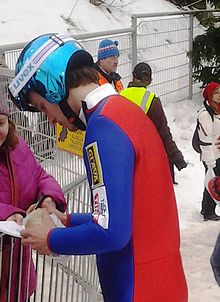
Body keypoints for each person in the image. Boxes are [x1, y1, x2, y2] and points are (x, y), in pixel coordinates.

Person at [9, 33, 188, 301]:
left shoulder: (103, 127)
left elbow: (111, 233)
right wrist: (64, 220)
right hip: (156, 279)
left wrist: (51, 239)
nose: (50, 118)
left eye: (42, 106)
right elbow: (125, 214)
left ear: (55, 88)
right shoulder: (122, 111)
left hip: (136, 288)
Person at [0, 84, 66, 302]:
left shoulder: (18, 148)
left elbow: (39, 175)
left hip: (18, 263)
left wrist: (49, 197)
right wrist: (8, 213)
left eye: (0, 123)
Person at [120, 62, 187, 184]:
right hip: (144, 157)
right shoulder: (152, 100)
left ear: (133, 76)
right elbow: (164, 133)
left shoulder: (119, 96)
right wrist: (176, 157)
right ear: (150, 80)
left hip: (123, 155)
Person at [196, 82, 220, 221]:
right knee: (212, 182)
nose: (219, 95)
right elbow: (204, 138)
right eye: (216, 93)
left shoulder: (217, 110)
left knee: (216, 181)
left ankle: (209, 208)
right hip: (211, 156)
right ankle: (208, 211)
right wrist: (210, 161)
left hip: (218, 154)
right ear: (209, 95)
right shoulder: (205, 114)